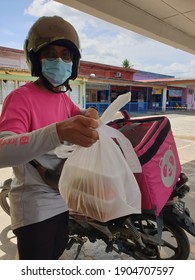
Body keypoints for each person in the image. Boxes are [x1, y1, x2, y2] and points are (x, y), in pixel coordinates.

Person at [0, 15, 99, 260]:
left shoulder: (63, 98)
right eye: (50, 54)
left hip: (63, 198)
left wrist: (90, 114)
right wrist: (58, 131)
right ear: (36, 59)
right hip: (34, 207)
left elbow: (80, 116)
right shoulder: (20, 98)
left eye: (66, 56)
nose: (59, 61)